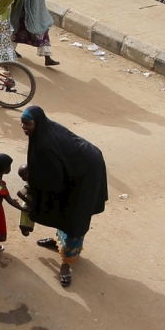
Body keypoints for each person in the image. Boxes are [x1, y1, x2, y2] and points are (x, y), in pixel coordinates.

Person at [21, 106, 108, 288]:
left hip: (86, 175)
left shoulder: (45, 144)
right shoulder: (44, 131)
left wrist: (35, 184)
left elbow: (53, 180)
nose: (24, 127)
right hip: (73, 171)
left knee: (75, 218)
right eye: (22, 123)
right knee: (62, 209)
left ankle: (66, 265)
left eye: (27, 124)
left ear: (37, 123)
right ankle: (58, 241)